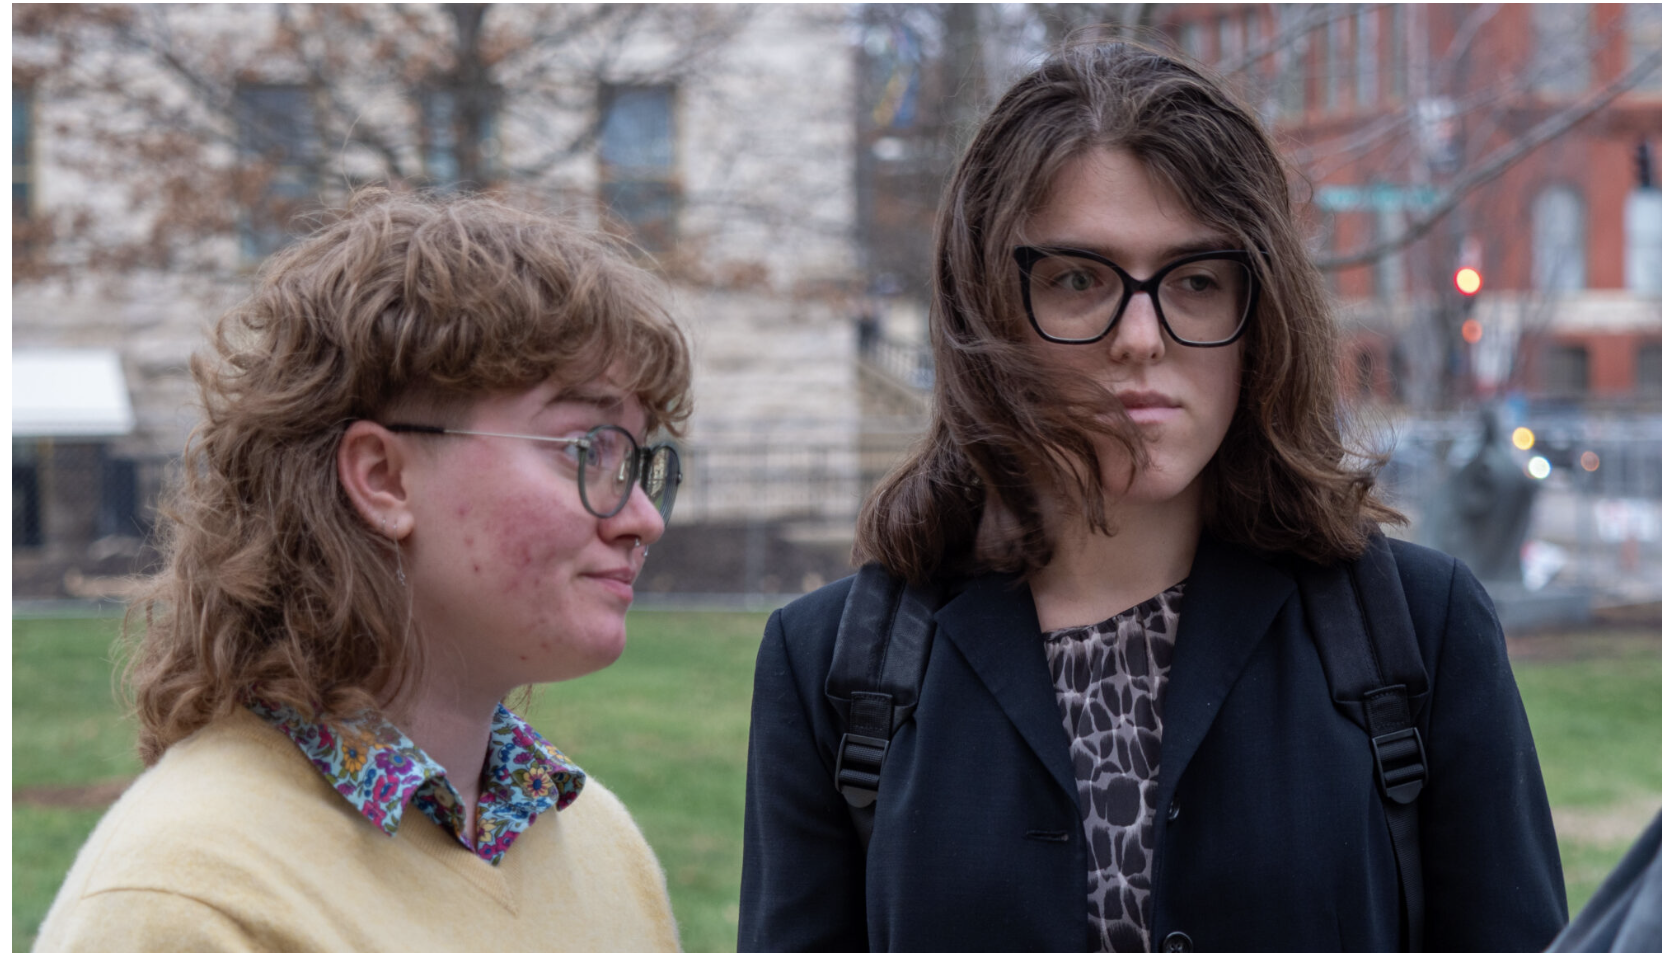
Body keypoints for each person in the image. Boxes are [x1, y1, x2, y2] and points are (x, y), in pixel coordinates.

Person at [739, 41, 1566, 952]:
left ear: (1264, 318)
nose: (1141, 337)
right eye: (1078, 279)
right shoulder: (835, 671)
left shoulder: (1416, 634)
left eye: (1198, 282)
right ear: (984, 308)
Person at [36, 190, 689, 951]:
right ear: (382, 477)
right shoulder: (187, 904)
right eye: (588, 450)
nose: (644, 516)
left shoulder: (603, 848)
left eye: (640, 461)